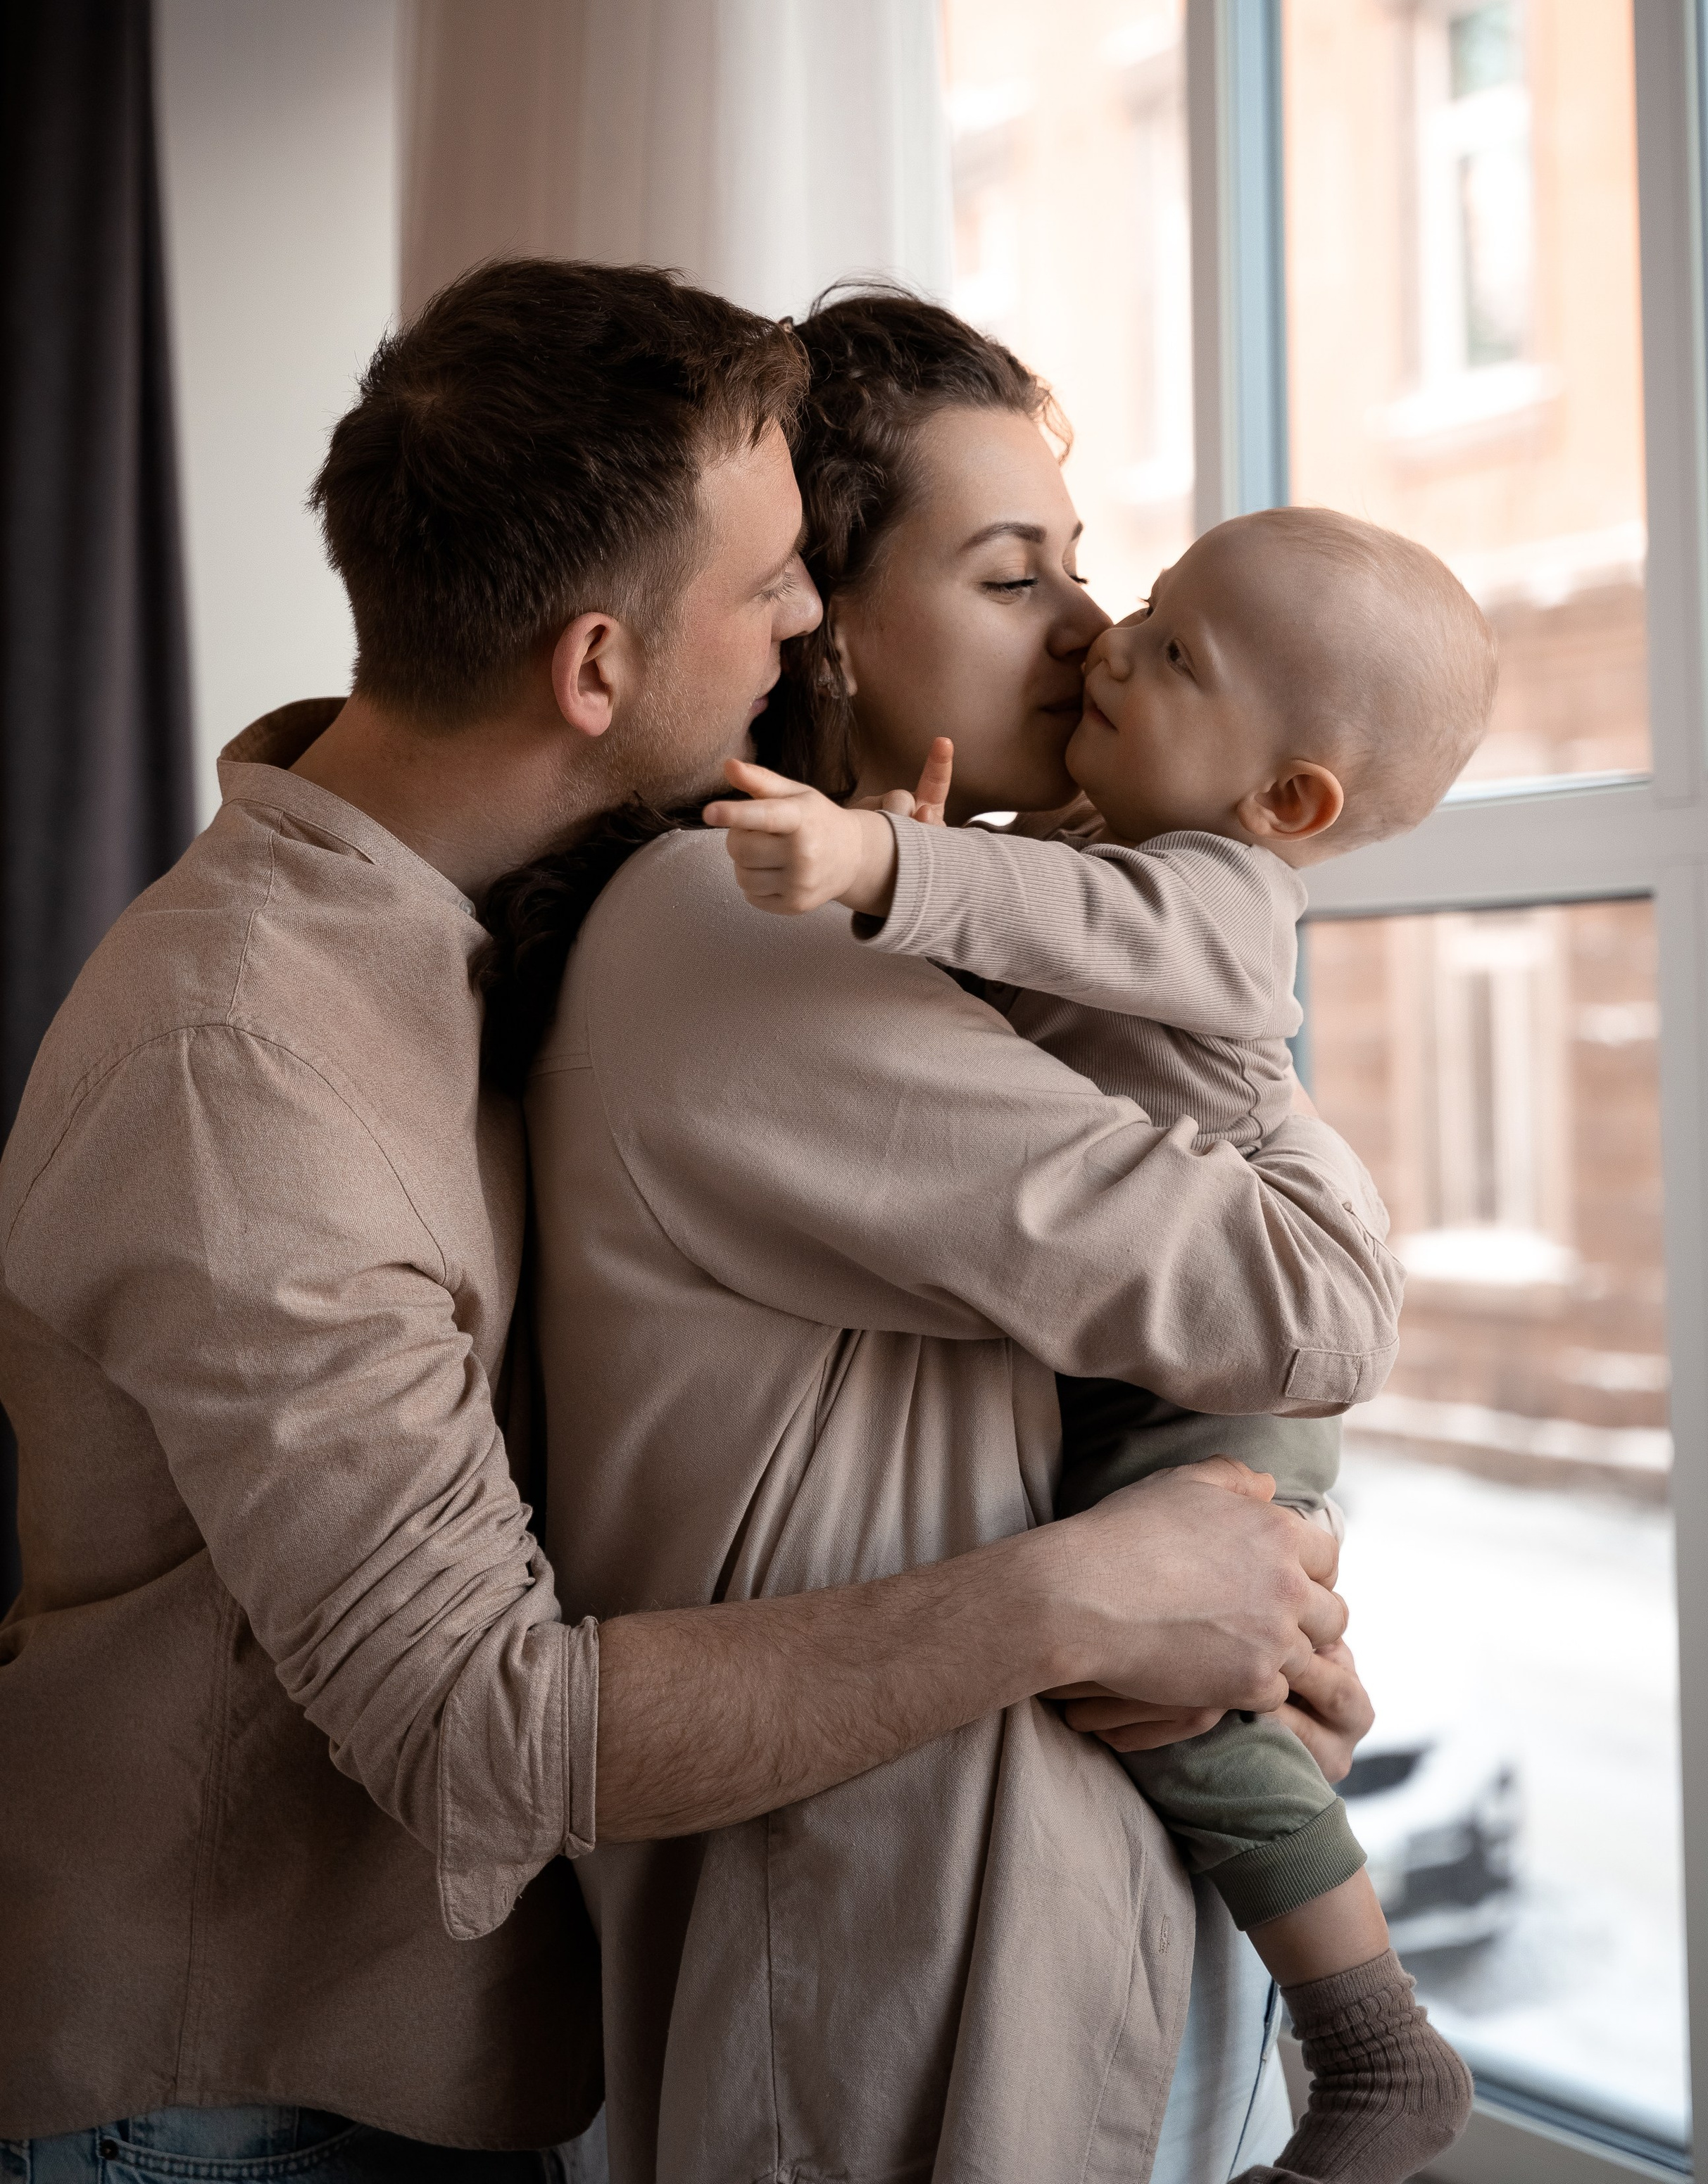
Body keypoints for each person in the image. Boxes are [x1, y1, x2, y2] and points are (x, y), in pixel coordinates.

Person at [0, 263, 1354, 2179]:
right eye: (777, 577)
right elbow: (482, 1726)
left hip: (453, 2046)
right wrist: (1101, 1596)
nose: (803, 623)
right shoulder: (251, 1061)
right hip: (238, 2095)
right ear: (594, 672)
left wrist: (1243, 1626)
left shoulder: (463, 921)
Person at [508, 292, 1405, 2184]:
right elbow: (1307, 1305)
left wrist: (1259, 1601)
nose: (1091, 624)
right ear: (815, 634)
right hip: (891, 1982)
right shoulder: (732, 930)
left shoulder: (988, 948)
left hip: (1017, 1904)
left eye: (1082, 563)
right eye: (1014, 578)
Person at [708, 503, 1496, 2184]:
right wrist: (904, 878)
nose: (1106, 641)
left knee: (1198, 1715)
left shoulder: (1214, 898)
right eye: (1133, 605)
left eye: (1175, 652)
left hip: (1203, 1392)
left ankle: (1372, 2042)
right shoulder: (1087, 845)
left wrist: (875, 867)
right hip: (1155, 1354)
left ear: (1283, 805)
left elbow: (1053, 932)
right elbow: (1013, 950)